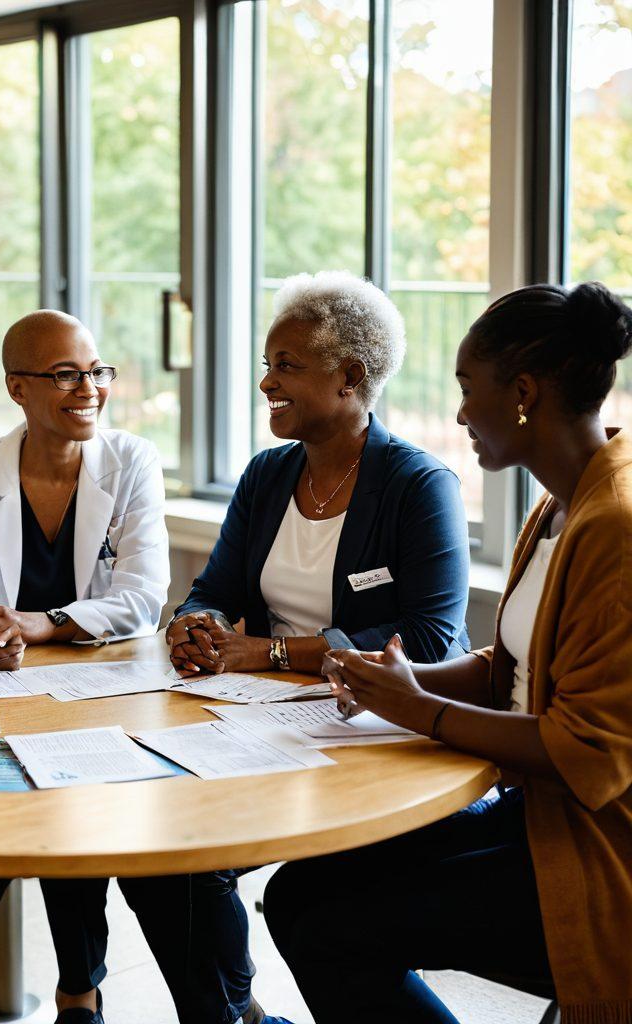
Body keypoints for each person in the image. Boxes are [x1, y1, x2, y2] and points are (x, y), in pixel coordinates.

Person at [263, 281, 632, 1023]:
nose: (460, 413)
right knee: (296, 892)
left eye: (469, 389)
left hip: (594, 850)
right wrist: (396, 681)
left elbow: (588, 754)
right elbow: (512, 669)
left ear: (523, 393)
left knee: (334, 931)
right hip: (536, 815)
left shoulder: (614, 526)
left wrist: (419, 708)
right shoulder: (560, 502)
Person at [158, 271, 472, 1024]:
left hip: (381, 735)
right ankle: (236, 1015)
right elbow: (216, 587)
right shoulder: (268, 474)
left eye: (287, 365)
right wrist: (194, 624)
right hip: (259, 723)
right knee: (169, 859)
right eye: (268, 365)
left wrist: (268, 653)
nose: (267, 381)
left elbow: (427, 638)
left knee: (217, 874)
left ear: (351, 377)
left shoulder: (417, 484)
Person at [0, 310, 170, 1024]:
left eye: (96, 371)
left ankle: (79, 991)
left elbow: (143, 598)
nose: (89, 389)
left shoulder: (131, 462)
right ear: (18, 387)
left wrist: (44, 624)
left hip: (96, 688)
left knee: (72, 812)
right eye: (64, 375)